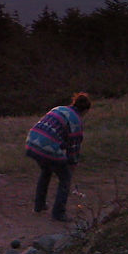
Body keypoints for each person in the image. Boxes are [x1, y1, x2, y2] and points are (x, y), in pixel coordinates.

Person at [25, 93, 92, 222]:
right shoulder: (76, 121)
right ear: (85, 110)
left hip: (32, 142)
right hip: (47, 147)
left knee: (46, 171)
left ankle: (39, 205)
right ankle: (59, 213)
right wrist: (72, 164)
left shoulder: (59, 109)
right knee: (65, 178)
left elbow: (53, 131)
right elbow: (74, 147)